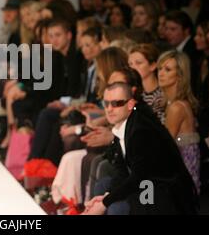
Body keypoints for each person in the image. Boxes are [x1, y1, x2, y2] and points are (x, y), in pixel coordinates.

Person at [83, 82, 198, 215]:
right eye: (106, 103)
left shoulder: (141, 130)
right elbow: (122, 171)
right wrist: (105, 198)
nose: (109, 109)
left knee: (117, 207)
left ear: (130, 104)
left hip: (163, 191)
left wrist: (104, 203)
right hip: (145, 184)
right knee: (103, 185)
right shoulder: (124, 124)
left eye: (116, 103)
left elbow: (139, 177)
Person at [157, 50, 201, 193]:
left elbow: (165, 146)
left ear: (180, 75)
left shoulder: (177, 107)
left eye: (167, 69)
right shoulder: (170, 103)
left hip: (180, 177)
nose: (161, 73)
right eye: (160, 68)